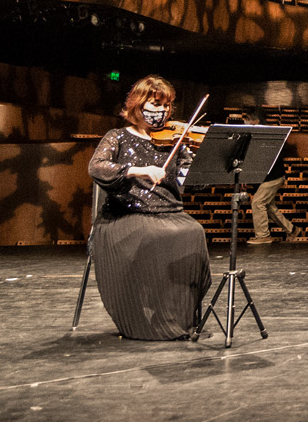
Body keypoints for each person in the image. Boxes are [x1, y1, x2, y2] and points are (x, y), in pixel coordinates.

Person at [84, 77, 212, 340]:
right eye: (155, 104)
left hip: (169, 213)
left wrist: (195, 168)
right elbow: (96, 167)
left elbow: (187, 183)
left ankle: (179, 316)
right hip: (126, 215)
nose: (162, 112)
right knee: (155, 235)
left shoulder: (172, 141)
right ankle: (144, 319)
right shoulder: (117, 137)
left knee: (194, 232)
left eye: (166, 106)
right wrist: (139, 170)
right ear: (138, 105)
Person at [247, 136, 296, 245]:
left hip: (273, 176)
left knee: (258, 202)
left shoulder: (263, 142)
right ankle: (292, 229)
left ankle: (263, 236)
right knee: (269, 206)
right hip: (270, 177)